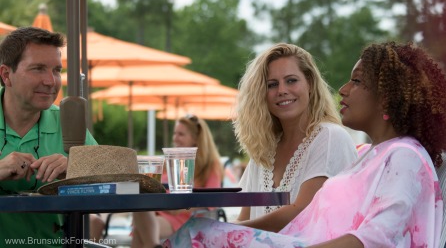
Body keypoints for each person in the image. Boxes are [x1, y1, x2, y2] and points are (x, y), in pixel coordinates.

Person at [163, 41, 446, 247]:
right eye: (271, 84)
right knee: (196, 233)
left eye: (356, 81)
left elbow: (378, 237)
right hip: (297, 242)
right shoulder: (374, 156)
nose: (343, 89)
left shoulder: (405, 155)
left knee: (195, 233)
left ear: (387, 96)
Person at [233, 43, 357, 231]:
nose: (281, 90)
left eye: (291, 80)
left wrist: (228, 230)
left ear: (309, 83)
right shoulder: (264, 149)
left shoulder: (330, 137)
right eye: (271, 85)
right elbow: (245, 216)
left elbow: (302, 212)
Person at [0, 27, 97, 247]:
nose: (51, 81)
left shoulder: (67, 120)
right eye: (38, 69)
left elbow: (113, 177)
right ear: (6, 75)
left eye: (56, 70)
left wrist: (75, 168)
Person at [131, 114, 223, 248]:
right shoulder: (171, 162)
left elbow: (213, 200)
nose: (175, 138)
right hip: (157, 214)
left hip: (186, 218)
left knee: (140, 230)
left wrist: (180, 207)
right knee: (139, 204)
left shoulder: (210, 165)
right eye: (175, 133)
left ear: (195, 139)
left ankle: (153, 245)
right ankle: (153, 245)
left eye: (181, 134)